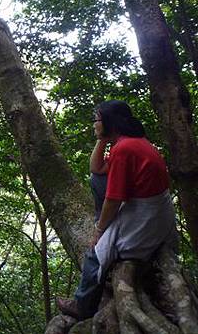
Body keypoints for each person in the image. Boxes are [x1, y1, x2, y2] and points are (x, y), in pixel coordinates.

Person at [57, 100, 178, 320]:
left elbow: (113, 199)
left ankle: (83, 306)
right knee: (96, 179)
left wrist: (100, 230)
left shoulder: (124, 149)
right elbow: (96, 169)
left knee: (95, 254)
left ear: (109, 122)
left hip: (146, 214)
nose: (94, 124)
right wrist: (102, 139)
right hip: (148, 206)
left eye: (97, 119)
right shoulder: (128, 142)